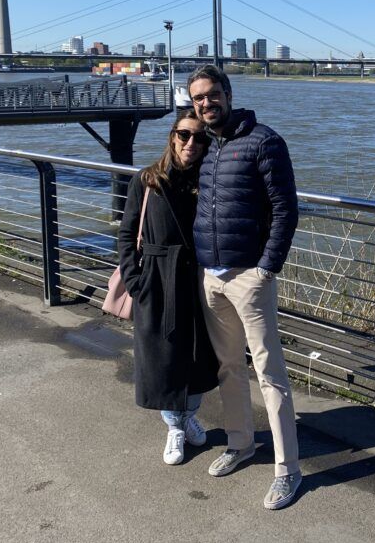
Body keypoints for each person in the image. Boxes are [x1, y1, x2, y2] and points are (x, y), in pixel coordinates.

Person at [188, 65, 302, 510]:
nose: (206, 103)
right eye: (198, 98)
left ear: (229, 94)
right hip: (210, 276)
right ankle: (241, 443)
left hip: (249, 276)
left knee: (270, 373)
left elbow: (285, 208)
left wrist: (266, 268)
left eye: (212, 94)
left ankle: (287, 470)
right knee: (229, 368)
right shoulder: (204, 145)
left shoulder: (264, 141)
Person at [117, 111, 219, 466]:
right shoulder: (147, 180)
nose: (192, 143)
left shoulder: (210, 181)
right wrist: (135, 282)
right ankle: (174, 426)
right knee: (164, 359)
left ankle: (188, 416)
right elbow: (127, 233)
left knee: (198, 358)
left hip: (199, 281)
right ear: (172, 136)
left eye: (200, 137)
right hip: (158, 281)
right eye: (185, 134)